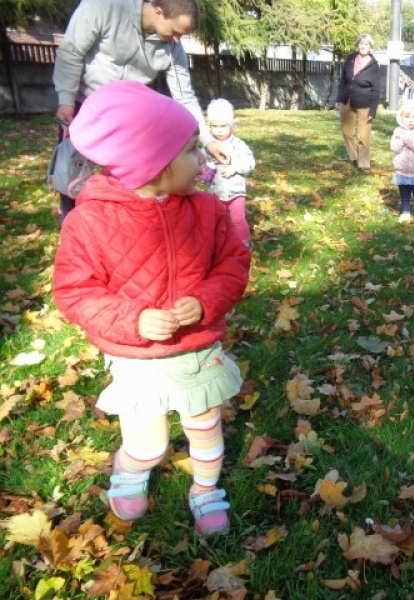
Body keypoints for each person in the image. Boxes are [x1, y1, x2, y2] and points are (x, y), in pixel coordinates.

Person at [52, 80, 251, 537]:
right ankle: (131, 470)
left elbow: (233, 264)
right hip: (137, 355)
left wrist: (205, 302)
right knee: (149, 442)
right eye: (192, 150)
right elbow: (75, 290)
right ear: (154, 163)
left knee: (204, 425)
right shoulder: (90, 221)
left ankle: (205, 489)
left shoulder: (207, 211)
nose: (203, 160)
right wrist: (134, 319)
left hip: (195, 348)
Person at [52, 0, 228, 223]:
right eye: (175, 31)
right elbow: (71, 52)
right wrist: (65, 99)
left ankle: (121, 227)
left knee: (128, 183)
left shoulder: (173, 48)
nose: (177, 40)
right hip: (85, 108)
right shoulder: (103, 7)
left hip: (130, 121)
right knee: (72, 174)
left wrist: (207, 140)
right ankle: (72, 224)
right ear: (158, 12)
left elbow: (185, 96)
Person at [204, 98, 256, 247]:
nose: (219, 130)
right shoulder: (208, 146)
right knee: (216, 219)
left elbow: (250, 162)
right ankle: (219, 244)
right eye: (214, 126)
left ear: (231, 125)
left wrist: (236, 168)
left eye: (223, 126)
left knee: (238, 219)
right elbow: (201, 170)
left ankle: (244, 244)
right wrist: (209, 165)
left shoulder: (239, 145)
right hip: (215, 192)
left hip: (235, 191)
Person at [335, 33, 381, 173]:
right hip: (347, 101)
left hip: (365, 104)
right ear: (357, 45)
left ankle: (363, 164)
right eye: (361, 44)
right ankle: (354, 157)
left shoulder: (374, 65)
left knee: (363, 136)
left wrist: (373, 111)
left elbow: (376, 89)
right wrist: (338, 99)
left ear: (370, 46)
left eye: (366, 44)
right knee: (347, 132)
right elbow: (343, 81)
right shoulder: (350, 58)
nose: (363, 46)